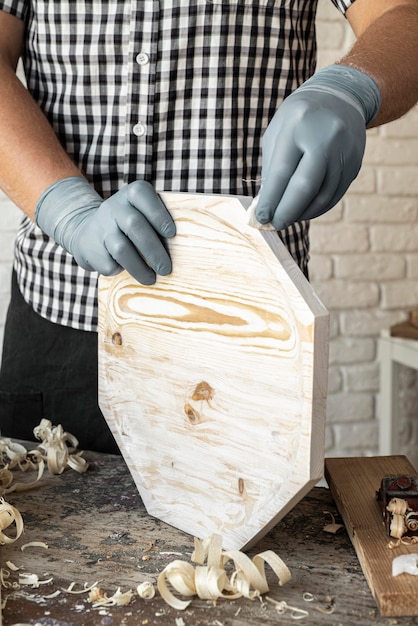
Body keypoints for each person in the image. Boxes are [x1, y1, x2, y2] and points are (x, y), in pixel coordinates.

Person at [0, 0, 417, 453]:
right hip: (62, 313)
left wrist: (349, 88)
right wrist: (65, 208)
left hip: (252, 322)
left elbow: (404, 13)